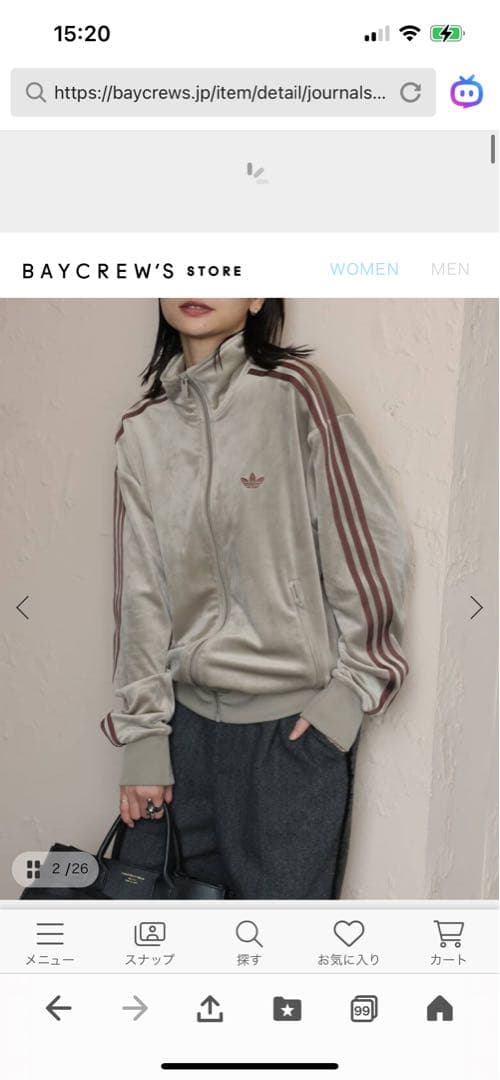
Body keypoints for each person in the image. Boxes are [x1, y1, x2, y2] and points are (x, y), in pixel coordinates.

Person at [100, 298, 411, 899]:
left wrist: (351, 693)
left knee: (276, 948)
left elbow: (371, 544)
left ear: (257, 293)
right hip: (181, 733)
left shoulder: (296, 394)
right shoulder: (142, 429)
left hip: (289, 735)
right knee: (160, 936)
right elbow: (139, 592)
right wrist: (143, 737)